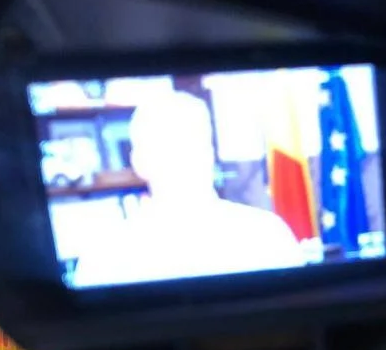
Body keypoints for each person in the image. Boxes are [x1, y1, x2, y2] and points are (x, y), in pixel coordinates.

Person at [72, 90, 305, 287]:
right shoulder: (105, 256)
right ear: (139, 162)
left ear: (210, 153)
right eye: (167, 146)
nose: (182, 157)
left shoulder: (267, 234)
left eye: (192, 142)